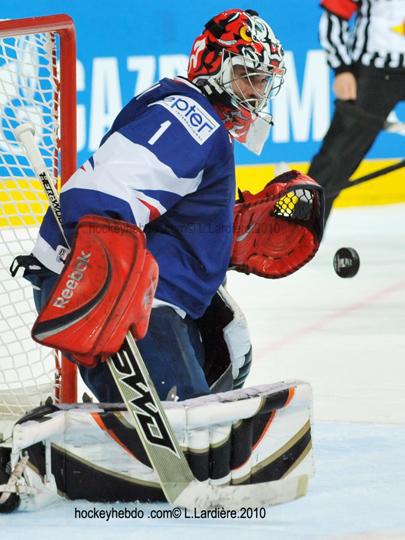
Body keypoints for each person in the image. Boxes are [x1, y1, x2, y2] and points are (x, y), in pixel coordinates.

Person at [23, 8, 321, 404]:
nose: (254, 91)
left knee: (224, 361)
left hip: (147, 300)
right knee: (185, 440)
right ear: (212, 64)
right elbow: (105, 190)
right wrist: (90, 269)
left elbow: (173, 219)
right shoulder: (191, 118)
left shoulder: (201, 121)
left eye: (263, 81)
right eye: (246, 76)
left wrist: (237, 229)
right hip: (117, 300)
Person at [308, 0, 405, 222]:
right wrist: (342, 68)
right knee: (335, 159)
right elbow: (334, 13)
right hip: (375, 73)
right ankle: (297, 235)